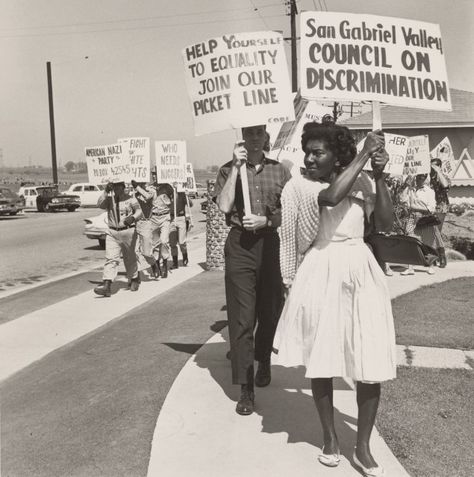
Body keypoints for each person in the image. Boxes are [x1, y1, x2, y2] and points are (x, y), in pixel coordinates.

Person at [274, 121, 395, 476]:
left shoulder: (362, 180)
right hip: (321, 268)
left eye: (318, 152)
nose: (309, 159)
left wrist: (379, 173)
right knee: (322, 357)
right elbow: (329, 198)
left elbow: (385, 224)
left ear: (335, 155)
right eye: (307, 152)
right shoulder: (301, 185)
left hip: (359, 268)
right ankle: (330, 438)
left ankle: (363, 448)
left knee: (369, 357)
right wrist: (364, 153)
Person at [214, 124, 291, 416]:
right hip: (240, 245)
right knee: (242, 317)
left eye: (259, 133)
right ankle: (246, 388)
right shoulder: (227, 169)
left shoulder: (280, 171)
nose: (254, 139)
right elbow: (223, 206)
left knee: (271, 309)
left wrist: (267, 222)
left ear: (266, 138)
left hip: (270, 242)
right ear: (241, 138)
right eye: (249, 134)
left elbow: (291, 209)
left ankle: (264, 358)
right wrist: (235, 167)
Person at [94, 180, 142, 297]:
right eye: (114, 187)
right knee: (111, 258)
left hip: (128, 231)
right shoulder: (109, 200)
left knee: (129, 257)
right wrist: (106, 191)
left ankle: (134, 278)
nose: (116, 189)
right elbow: (99, 204)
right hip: (112, 232)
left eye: (118, 187)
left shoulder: (131, 199)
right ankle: (107, 285)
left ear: (123, 187)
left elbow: (139, 211)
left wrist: (133, 218)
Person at [399, 173, 437, 275]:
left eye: (422, 177)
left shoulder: (429, 191)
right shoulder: (411, 189)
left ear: (425, 178)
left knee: (427, 241)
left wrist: (415, 207)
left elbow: (431, 208)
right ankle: (410, 267)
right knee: (410, 240)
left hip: (424, 218)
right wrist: (407, 186)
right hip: (412, 217)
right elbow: (402, 200)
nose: (420, 178)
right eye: (418, 176)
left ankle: (430, 265)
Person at [131, 180, 161, 279]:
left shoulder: (151, 191)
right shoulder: (133, 194)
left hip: (146, 223)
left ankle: (153, 264)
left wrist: (137, 187)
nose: (140, 185)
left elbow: (147, 197)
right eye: (138, 183)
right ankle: (136, 274)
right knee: (134, 252)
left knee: (146, 252)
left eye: (141, 183)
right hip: (135, 223)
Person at [430, 158, 451, 267]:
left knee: (437, 231)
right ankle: (434, 255)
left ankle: (441, 256)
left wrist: (438, 171)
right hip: (429, 207)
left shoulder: (444, 176)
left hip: (440, 207)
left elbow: (446, 185)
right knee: (431, 231)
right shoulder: (428, 177)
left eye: (433, 166)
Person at [169, 183, 193, 269]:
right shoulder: (169, 193)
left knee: (182, 242)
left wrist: (187, 196)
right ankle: (175, 262)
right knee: (172, 243)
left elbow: (190, 204)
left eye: (176, 183)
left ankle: (185, 257)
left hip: (181, 218)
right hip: (171, 219)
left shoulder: (182, 193)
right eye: (173, 183)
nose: (174, 184)